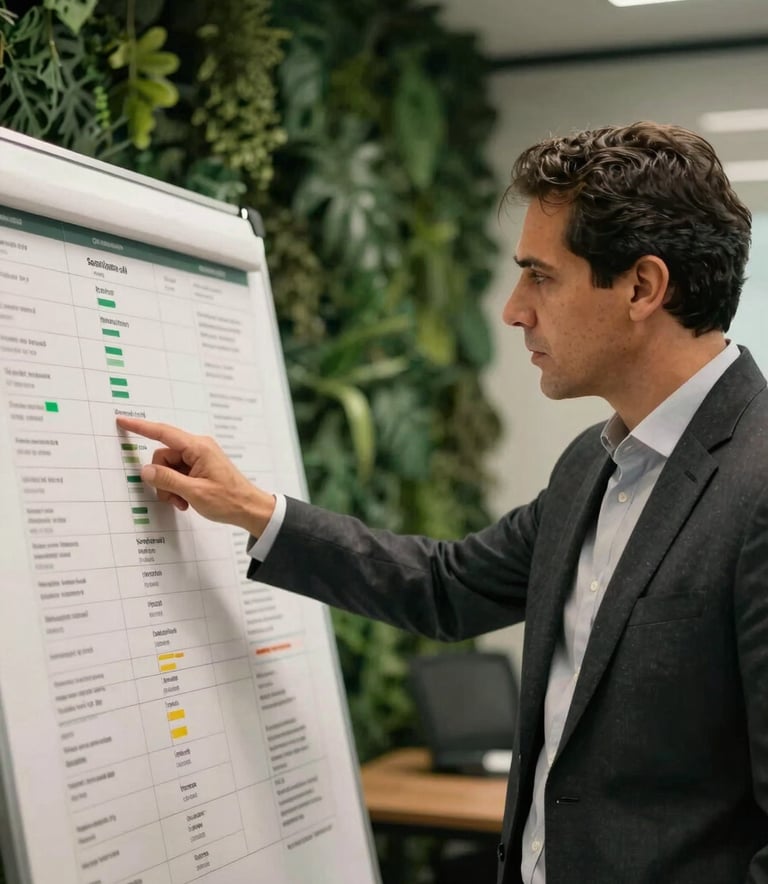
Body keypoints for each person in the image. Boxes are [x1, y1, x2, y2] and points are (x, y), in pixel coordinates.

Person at [117, 121, 768, 884]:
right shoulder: (591, 467)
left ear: (641, 287)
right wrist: (256, 511)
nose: (514, 309)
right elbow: (447, 587)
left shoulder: (756, 484)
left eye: (541, 275)